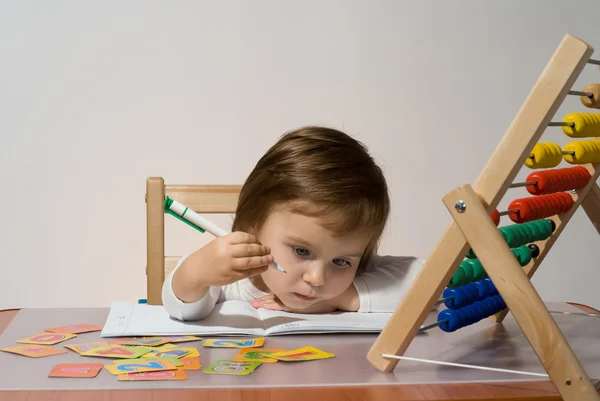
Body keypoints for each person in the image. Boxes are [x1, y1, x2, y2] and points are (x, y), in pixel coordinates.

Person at [162, 126, 424, 321]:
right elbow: (180, 307)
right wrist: (196, 273)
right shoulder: (231, 277)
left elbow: (432, 280)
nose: (317, 279)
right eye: (301, 251)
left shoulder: (349, 281)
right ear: (252, 227)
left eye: (342, 262)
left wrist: (340, 298)